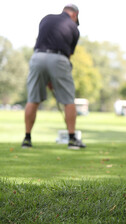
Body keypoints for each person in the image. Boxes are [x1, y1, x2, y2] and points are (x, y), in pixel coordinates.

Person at [21, 4, 86, 150]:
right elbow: (68, 56)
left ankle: (27, 139)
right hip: (59, 58)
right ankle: (72, 139)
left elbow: (42, 40)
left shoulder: (46, 19)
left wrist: (49, 78)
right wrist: (54, 78)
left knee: (33, 98)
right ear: (75, 15)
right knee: (69, 100)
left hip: (37, 57)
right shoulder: (74, 28)